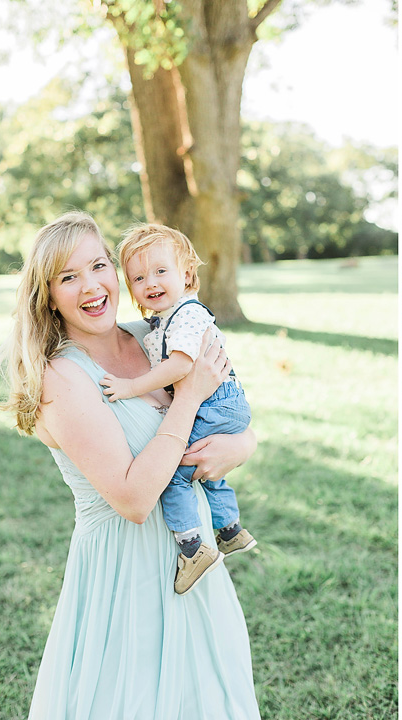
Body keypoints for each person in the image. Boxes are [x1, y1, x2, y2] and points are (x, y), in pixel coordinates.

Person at [0, 211, 261, 719]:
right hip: (126, 573)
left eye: (98, 266)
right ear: (47, 294)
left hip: (194, 562)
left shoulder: (153, 336)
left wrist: (242, 446)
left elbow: (231, 406)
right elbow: (134, 500)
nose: (91, 287)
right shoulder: (62, 379)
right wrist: (187, 397)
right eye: (69, 277)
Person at [101, 223, 257, 595]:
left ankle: (192, 547)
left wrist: (131, 387)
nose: (150, 282)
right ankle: (230, 530)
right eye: (138, 277)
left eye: (160, 271)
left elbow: (182, 366)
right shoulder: (166, 318)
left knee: (174, 471)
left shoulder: (186, 315)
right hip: (223, 402)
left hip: (214, 402)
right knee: (208, 469)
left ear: (186, 274)